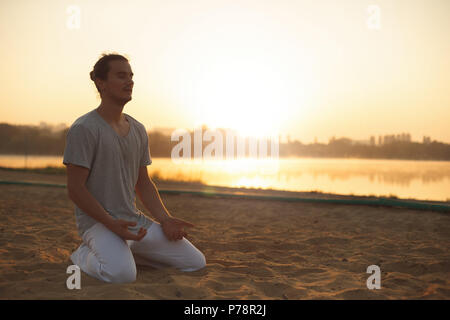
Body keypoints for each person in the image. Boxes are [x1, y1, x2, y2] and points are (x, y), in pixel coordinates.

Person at [63, 53, 206, 283]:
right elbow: (75, 189)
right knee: (121, 275)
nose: (129, 81)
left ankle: (126, 253)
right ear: (101, 83)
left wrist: (165, 219)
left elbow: (144, 183)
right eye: (121, 76)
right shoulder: (84, 128)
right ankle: (82, 255)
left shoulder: (138, 129)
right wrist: (111, 224)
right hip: (99, 224)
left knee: (194, 262)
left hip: (133, 221)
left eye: (131, 76)